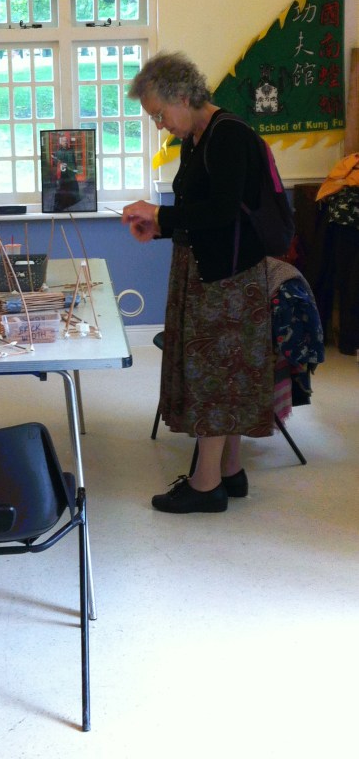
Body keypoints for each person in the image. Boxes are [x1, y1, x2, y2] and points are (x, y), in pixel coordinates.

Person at [122, 52, 274, 513]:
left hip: (228, 281)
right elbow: (199, 212)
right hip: (210, 271)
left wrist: (160, 213)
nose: (160, 125)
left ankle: (206, 486)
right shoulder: (196, 138)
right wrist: (159, 226)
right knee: (223, 375)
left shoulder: (229, 136)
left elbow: (223, 212)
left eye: (159, 114)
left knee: (216, 377)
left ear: (183, 97)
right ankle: (230, 470)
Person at [52, 133, 80, 212]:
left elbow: (74, 161)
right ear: (60, 142)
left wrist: (75, 169)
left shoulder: (71, 150)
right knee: (62, 189)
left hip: (71, 173)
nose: (65, 142)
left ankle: (73, 201)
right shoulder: (58, 152)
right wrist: (57, 161)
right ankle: (61, 204)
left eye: (66, 141)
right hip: (63, 173)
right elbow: (55, 164)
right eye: (64, 141)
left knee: (74, 187)